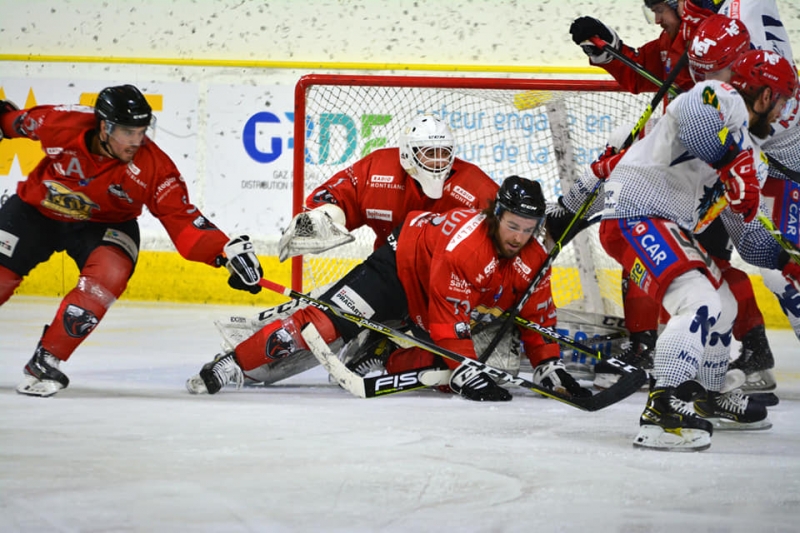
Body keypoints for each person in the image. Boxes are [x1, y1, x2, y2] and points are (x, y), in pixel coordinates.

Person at [187, 176, 592, 401]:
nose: (519, 237)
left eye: (528, 229)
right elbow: (447, 319)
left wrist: (548, 364)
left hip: (435, 294)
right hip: (398, 269)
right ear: (496, 215)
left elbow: (537, 313)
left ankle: (384, 350)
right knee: (322, 326)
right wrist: (464, 370)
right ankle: (233, 362)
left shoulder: (535, 255)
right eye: (512, 226)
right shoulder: (467, 248)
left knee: (488, 362)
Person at [0, 85, 264, 397]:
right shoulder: (61, 123)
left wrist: (224, 252)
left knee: (109, 275)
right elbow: (13, 122)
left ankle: (46, 359)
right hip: (35, 212)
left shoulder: (154, 167)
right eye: (127, 132)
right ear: (104, 127)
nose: (137, 141)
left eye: (141, 131)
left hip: (106, 225)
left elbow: (181, 218)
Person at [199, 113, 502, 386]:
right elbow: (335, 196)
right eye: (428, 152)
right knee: (321, 324)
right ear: (408, 153)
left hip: (443, 288)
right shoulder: (380, 170)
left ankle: (381, 350)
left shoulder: (475, 187)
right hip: (391, 273)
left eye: (443, 152)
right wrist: (324, 217)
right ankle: (244, 363)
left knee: (456, 358)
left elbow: (508, 240)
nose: (437, 161)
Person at [598, 45, 799, 450]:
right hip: (634, 214)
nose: (783, 114)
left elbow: (747, 236)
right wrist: (730, 162)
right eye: (782, 102)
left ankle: (708, 394)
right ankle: (662, 410)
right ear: (765, 95)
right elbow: (694, 120)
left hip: (667, 225)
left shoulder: (753, 157)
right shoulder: (720, 96)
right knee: (699, 301)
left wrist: (786, 261)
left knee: (724, 304)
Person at [566, 2, 776, 389]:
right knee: (677, 267)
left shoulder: (715, 38)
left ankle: (747, 350)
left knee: (709, 271)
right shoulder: (674, 41)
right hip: (678, 178)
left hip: (701, 175)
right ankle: (663, 355)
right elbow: (642, 72)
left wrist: (731, 159)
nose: (657, 19)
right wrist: (610, 50)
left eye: (660, 9)